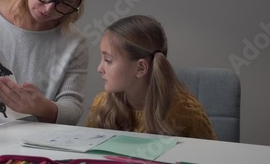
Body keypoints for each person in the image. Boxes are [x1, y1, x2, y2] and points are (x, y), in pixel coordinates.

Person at [86, 15, 216, 139]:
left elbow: (211, 156)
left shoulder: (187, 112)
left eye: (108, 60)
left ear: (141, 68)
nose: (99, 69)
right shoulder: (102, 105)